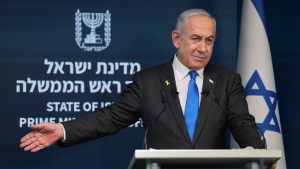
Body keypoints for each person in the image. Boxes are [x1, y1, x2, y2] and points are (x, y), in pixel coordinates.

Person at [20, 9, 277, 169]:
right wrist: (64, 130)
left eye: (209, 40)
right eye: (195, 39)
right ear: (177, 38)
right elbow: (111, 117)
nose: (203, 48)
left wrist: (259, 154)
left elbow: (242, 122)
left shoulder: (226, 80)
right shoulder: (148, 81)